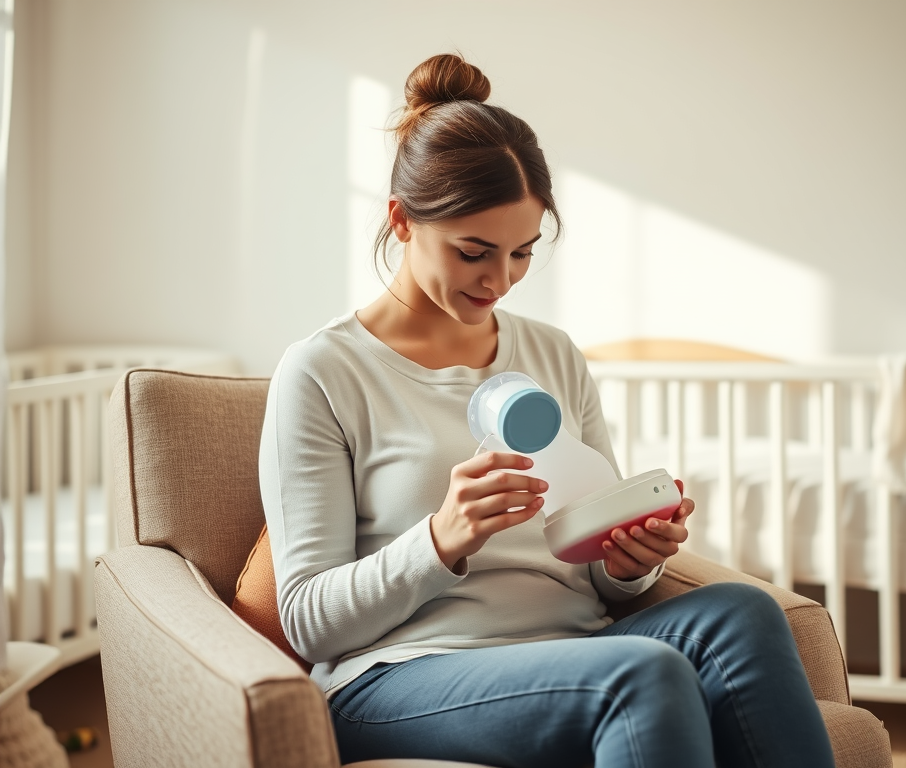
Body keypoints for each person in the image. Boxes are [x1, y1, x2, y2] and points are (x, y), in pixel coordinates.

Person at [259, 52, 836, 768]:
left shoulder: (552, 353)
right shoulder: (323, 372)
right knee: (642, 675)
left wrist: (630, 561)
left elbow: (600, 574)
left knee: (744, 615)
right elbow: (310, 622)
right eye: (474, 252)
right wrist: (440, 538)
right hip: (399, 674)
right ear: (402, 221)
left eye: (522, 253)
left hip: (574, 652)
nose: (499, 280)